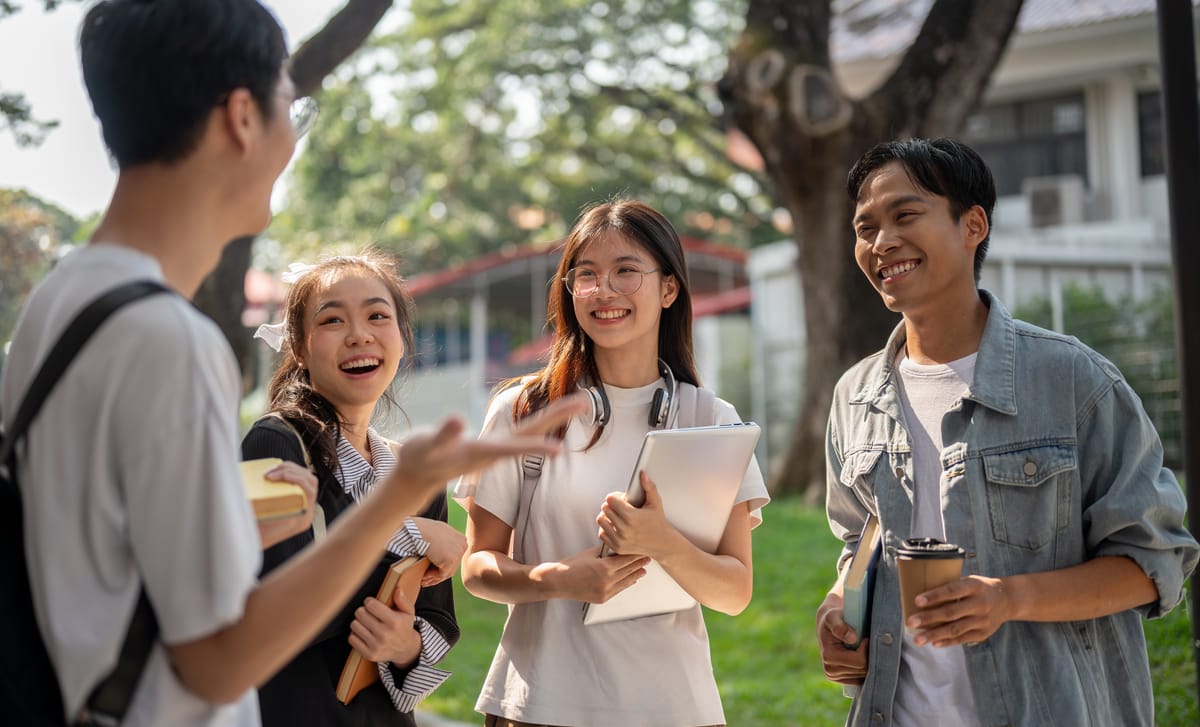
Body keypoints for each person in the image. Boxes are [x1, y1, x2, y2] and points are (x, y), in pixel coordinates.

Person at [0, 3, 581, 726]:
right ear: (242, 117)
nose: (292, 137)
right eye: (290, 106)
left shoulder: (60, 301)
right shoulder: (168, 342)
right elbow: (215, 662)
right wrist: (404, 494)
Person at [815, 137, 1199, 726]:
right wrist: (842, 602)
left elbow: (1155, 561)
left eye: (905, 215)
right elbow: (856, 543)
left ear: (973, 225)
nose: (881, 242)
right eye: (865, 228)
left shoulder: (1072, 379)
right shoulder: (854, 397)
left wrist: (1009, 599)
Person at [455, 199, 770, 727]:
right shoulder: (525, 413)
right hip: (538, 709)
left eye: (627, 272)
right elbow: (476, 566)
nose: (604, 291)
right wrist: (554, 578)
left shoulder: (710, 418)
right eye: (587, 275)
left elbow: (734, 592)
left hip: (675, 711)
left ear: (669, 288)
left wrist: (660, 541)